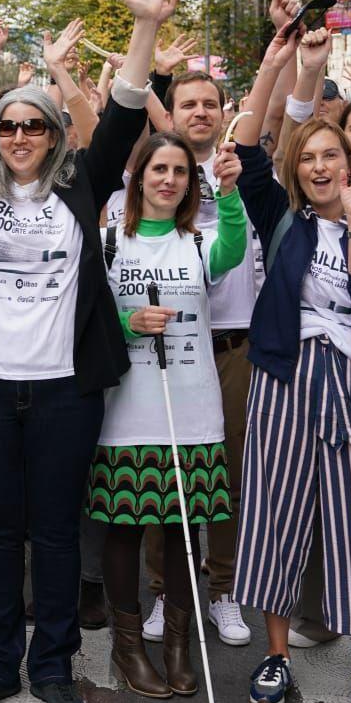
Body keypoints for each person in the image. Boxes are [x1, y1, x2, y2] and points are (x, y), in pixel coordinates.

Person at [0, 0, 176, 703]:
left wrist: (144, 28)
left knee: (57, 532)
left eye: (32, 125)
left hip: (66, 391)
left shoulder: (80, 188)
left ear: (52, 135)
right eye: (6, 124)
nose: (17, 136)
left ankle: (53, 670)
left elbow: (127, 110)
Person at [227, 25, 351, 703]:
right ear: (297, 169)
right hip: (285, 379)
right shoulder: (283, 218)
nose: (322, 167)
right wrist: (287, 65)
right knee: (275, 516)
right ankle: (275, 656)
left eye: (335, 156)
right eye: (311, 160)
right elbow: (245, 147)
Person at [92, 132, 246, 700]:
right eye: (158, 168)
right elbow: (89, 313)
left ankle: (179, 644)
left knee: (186, 531)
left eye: (180, 171)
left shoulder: (197, 240)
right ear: (138, 176)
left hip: (191, 403)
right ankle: (128, 646)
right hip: (128, 408)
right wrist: (127, 323)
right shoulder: (108, 241)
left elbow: (233, 250)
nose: (168, 180)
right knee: (124, 530)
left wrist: (229, 193)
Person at [139, 49, 262, 649]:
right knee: (165, 475)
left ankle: (223, 590)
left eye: (210, 104)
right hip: (166, 344)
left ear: (224, 113)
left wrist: (234, 194)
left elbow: (233, 250)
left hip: (233, 344)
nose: (200, 112)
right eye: (188, 103)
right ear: (172, 114)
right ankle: (166, 591)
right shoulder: (159, 172)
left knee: (227, 478)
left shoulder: (241, 167)